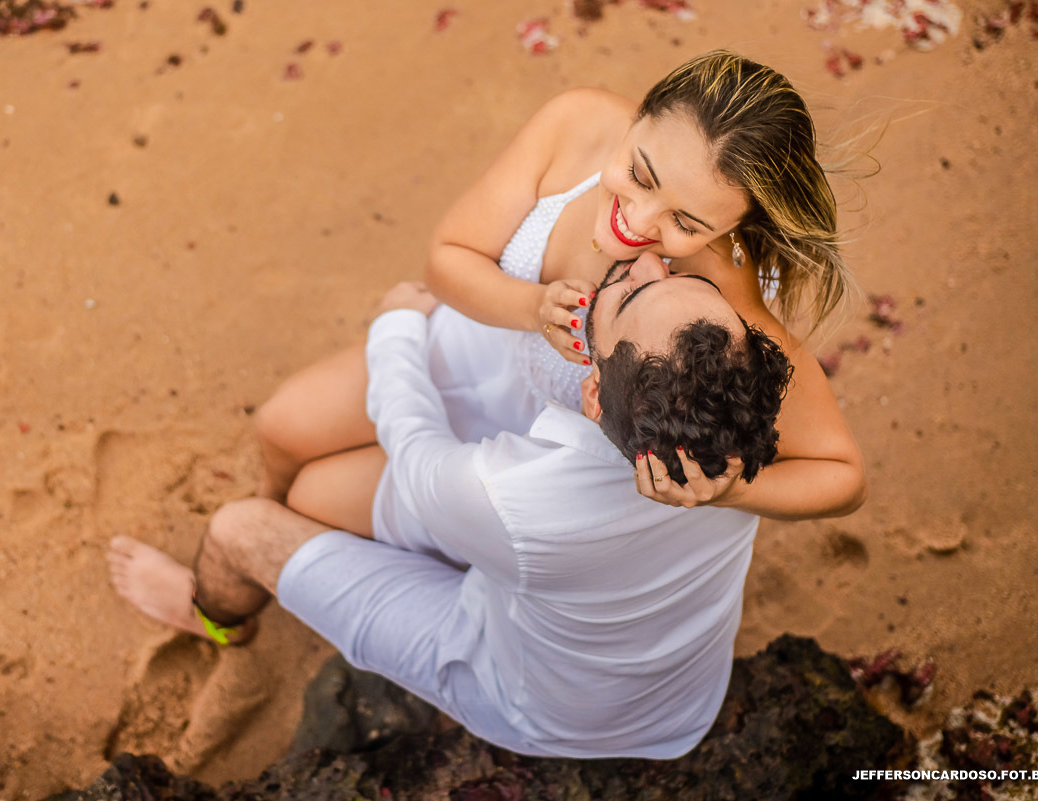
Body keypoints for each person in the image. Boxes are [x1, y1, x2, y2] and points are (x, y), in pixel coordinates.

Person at [109, 254, 794, 757]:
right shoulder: (752, 439)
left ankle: (214, 617)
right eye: (686, 280)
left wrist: (395, 327)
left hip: (527, 694)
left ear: (593, 396)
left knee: (240, 528)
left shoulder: (515, 498)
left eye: (630, 293)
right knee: (338, 492)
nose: (648, 261)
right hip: (681, 703)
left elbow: (412, 448)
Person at [255, 49, 866, 524]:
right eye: (639, 174)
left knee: (315, 496)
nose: (637, 223)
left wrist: (729, 493)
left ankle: (272, 542)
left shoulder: (720, 304)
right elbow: (448, 256)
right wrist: (531, 307)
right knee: (280, 426)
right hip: (468, 349)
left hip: (529, 460)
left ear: (734, 228)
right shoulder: (578, 123)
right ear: (639, 116)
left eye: (686, 224)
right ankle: (260, 512)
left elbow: (843, 476)